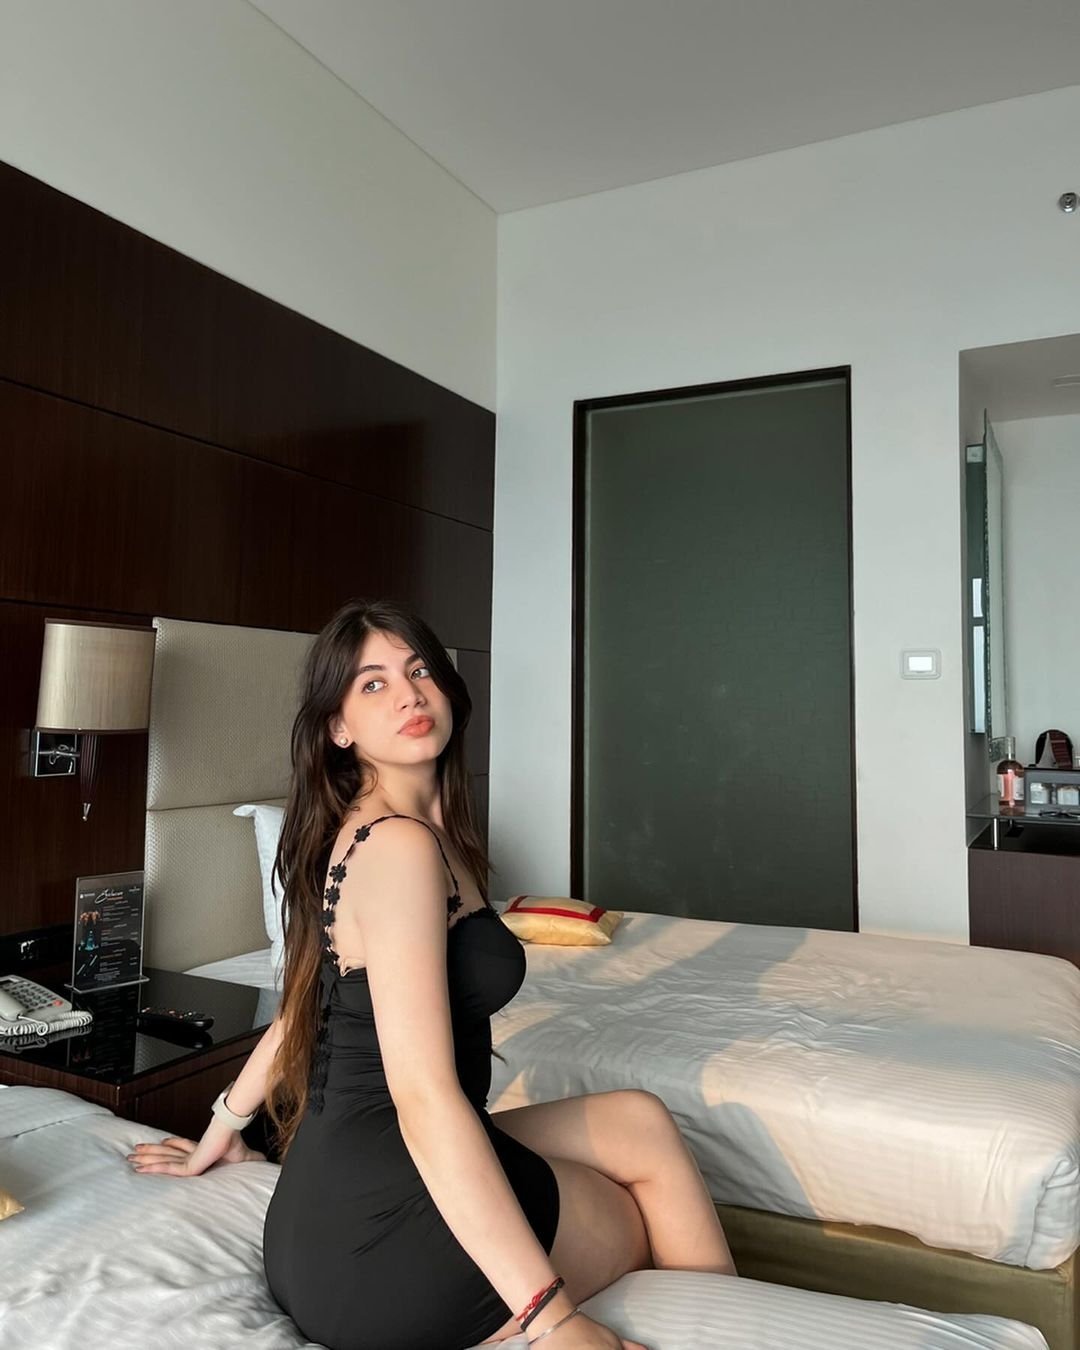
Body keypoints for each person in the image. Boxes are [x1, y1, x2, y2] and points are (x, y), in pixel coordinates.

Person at [128, 598, 735, 1349]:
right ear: (338, 728)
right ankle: (731, 1332)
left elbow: (304, 1005)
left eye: (419, 672)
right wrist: (555, 1322)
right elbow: (422, 1099)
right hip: (383, 1248)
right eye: (373, 684)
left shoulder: (400, 833)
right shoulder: (398, 848)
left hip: (329, 1211)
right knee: (635, 1215)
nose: (409, 695)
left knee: (639, 1121)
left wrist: (222, 1127)